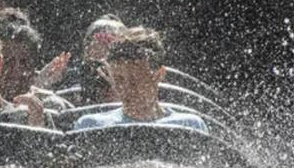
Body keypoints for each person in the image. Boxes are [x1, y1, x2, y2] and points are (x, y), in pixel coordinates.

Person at [73, 27, 208, 133]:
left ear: (159, 74)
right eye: (119, 80)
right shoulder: (90, 126)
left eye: (135, 80)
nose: (126, 89)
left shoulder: (190, 126)